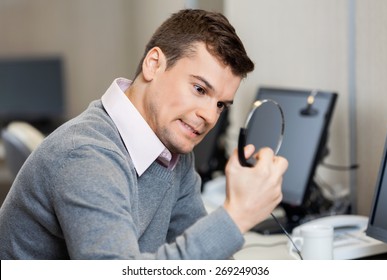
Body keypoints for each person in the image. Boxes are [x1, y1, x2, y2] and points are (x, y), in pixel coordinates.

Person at [0, 9, 288, 259]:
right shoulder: (86, 154)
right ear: (154, 64)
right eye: (200, 89)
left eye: (221, 105)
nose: (210, 116)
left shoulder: (171, 152)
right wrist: (237, 215)